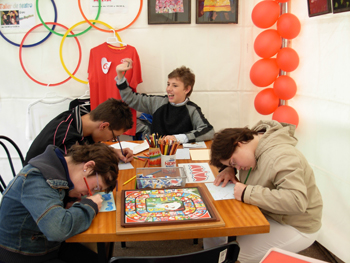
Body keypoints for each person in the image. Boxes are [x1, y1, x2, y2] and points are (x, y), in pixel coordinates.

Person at [204, 120, 323, 263]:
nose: (239, 168)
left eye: (234, 162)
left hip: (297, 225)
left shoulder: (281, 156)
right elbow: (245, 159)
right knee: (217, 230)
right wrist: (229, 169)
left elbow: (297, 201)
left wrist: (247, 192)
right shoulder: (255, 141)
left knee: (235, 255)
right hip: (269, 212)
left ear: (239, 144)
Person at [0, 143, 119, 263]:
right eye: (95, 187)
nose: (90, 194)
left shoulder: (59, 168)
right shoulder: (37, 179)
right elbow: (57, 230)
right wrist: (89, 207)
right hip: (24, 254)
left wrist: (68, 201)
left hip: (49, 245)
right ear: (88, 167)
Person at [115, 60, 214, 143]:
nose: (168, 89)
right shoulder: (157, 102)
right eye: (168, 84)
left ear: (187, 89)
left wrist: (177, 138)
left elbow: (209, 131)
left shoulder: (192, 109)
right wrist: (120, 76)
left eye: (174, 85)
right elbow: (131, 99)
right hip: (157, 154)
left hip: (182, 156)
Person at [24, 98, 134, 165]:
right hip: (37, 185)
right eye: (114, 136)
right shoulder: (67, 137)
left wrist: (113, 151)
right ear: (104, 126)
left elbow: (89, 147)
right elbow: (73, 176)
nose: (111, 140)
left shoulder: (84, 117)